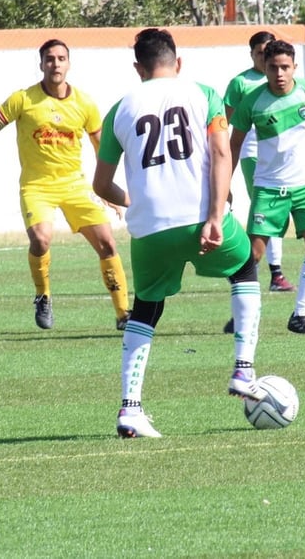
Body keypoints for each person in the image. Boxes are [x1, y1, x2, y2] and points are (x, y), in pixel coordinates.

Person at [92, 28, 267, 439]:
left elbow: (101, 186)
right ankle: (243, 370)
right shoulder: (204, 93)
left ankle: (130, 409)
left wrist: (134, 203)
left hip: (150, 229)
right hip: (199, 215)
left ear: (138, 68)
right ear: (179, 62)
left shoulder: (118, 108)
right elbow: (222, 152)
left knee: (146, 310)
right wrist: (213, 214)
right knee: (244, 269)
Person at [0, 39, 130, 331]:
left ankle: (123, 314)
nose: (55, 64)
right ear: (41, 64)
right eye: (50, 59)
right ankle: (43, 296)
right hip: (37, 186)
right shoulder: (23, 99)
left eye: (61, 58)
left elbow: (101, 147)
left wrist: (107, 189)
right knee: (41, 239)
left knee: (107, 242)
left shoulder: (85, 103)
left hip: (75, 186)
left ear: (69, 64)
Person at [228, 40, 305, 335]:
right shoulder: (252, 101)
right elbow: (234, 144)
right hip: (269, 187)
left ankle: (300, 314)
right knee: (252, 255)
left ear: (294, 68)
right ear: (264, 67)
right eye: (273, 67)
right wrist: (225, 183)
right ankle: (241, 312)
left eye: (285, 67)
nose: (279, 73)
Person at [224, 31, 294, 293]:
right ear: (252, 54)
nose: (266, 59)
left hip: (283, 156)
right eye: (260, 53)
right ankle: (274, 273)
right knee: (268, 210)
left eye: (269, 53)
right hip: (254, 154)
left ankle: (254, 269)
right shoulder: (241, 83)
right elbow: (224, 122)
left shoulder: (284, 81)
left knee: (275, 212)